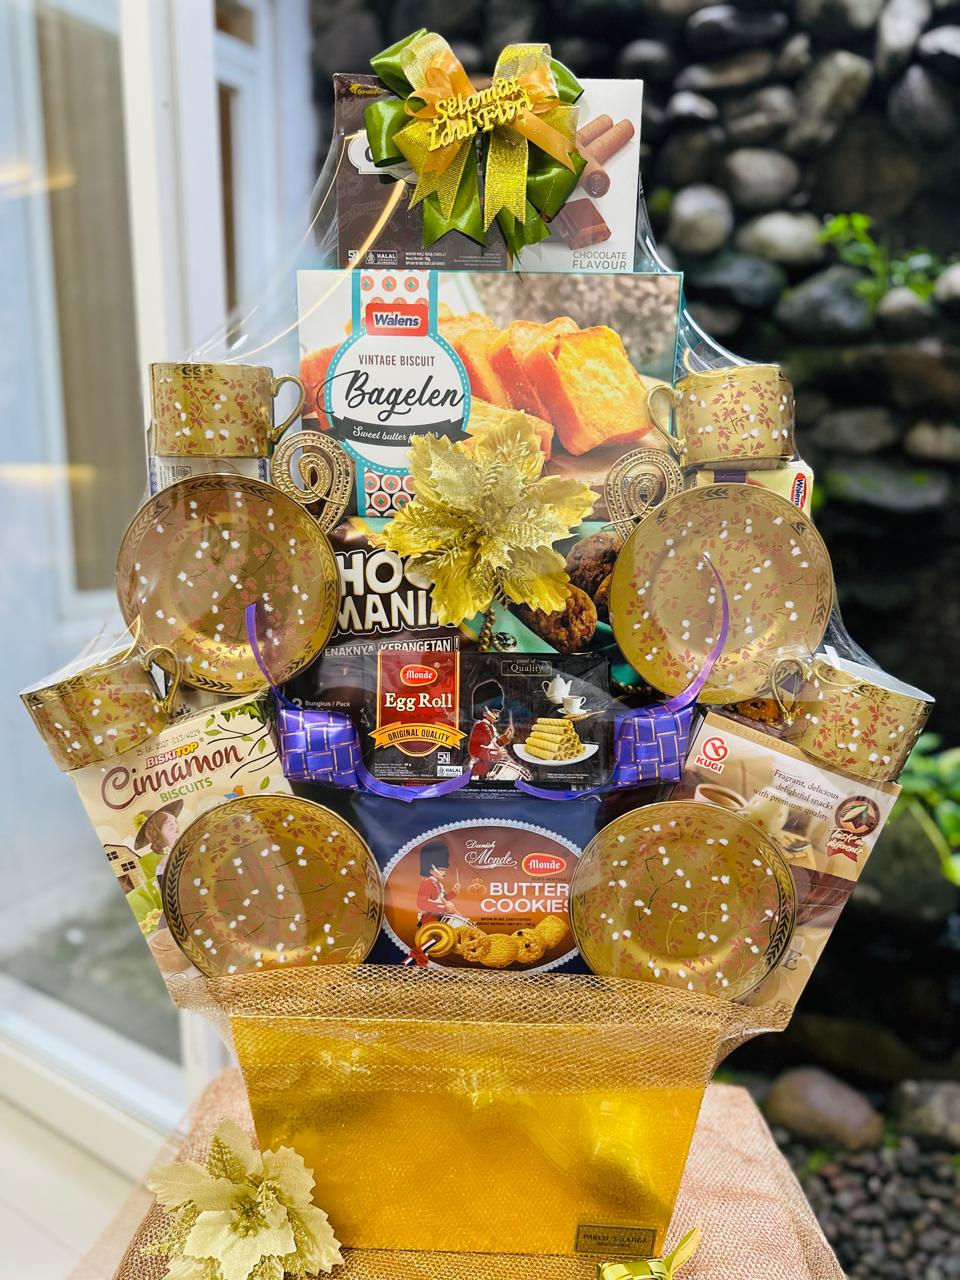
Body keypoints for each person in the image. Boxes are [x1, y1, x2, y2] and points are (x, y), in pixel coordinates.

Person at [467, 679, 515, 779]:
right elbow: (474, 749)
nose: (497, 714)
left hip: (488, 767)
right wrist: (496, 754)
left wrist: (506, 738)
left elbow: (493, 744)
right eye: (495, 711)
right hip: (480, 769)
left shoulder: (489, 727)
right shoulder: (480, 727)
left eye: (498, 711)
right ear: (485, 712)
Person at [415, 838, 460, 926]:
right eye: (442, 869)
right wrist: (444, 907)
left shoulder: (437, 883)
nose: (444, 872)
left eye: (445, 869)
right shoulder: (428, 882)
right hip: (430, 920)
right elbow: (421, 903)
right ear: (431, 870)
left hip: (438, 917)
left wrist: (453, 893)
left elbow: (441, 899)